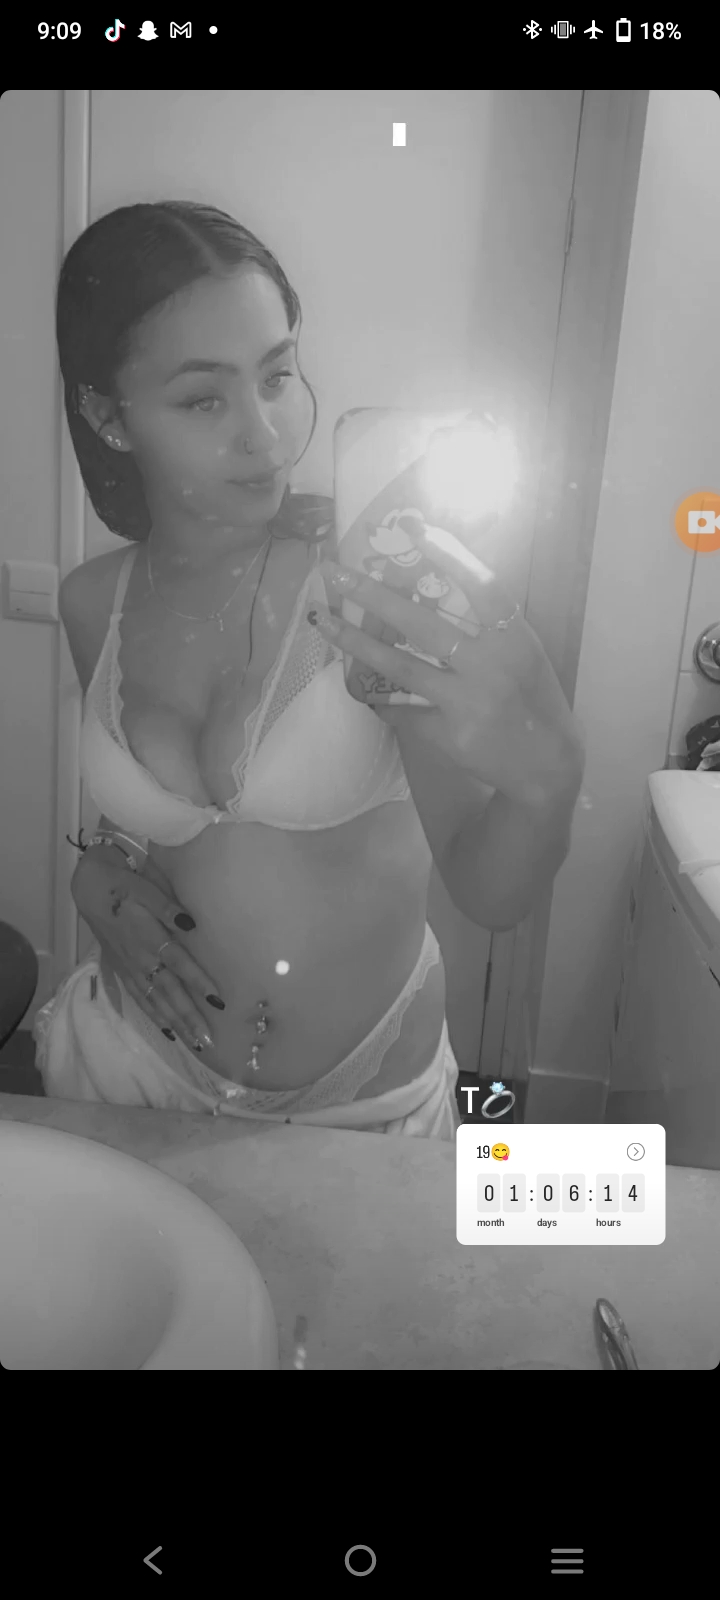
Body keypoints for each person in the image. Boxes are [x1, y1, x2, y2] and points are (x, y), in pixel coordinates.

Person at [33, 200, 583, 1134]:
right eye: (204, 399)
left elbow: (491, 892)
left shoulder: (374, 585)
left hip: (365, 1103)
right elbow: (144, 831)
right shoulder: (94, 601)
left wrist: (549, 780)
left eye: (278, 375)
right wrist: (97, 874)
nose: (268, 435)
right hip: (128, 1066)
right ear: (107, 415)